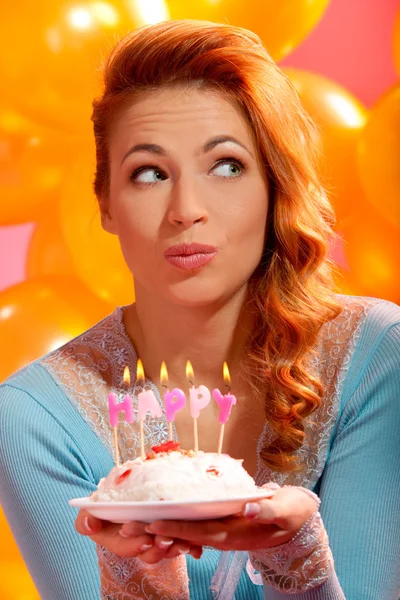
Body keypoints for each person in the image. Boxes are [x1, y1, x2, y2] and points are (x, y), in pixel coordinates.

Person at [0, 18, 399, 600]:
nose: (186, 209)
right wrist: (138, 573)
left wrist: (294, 553)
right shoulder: (34, 417)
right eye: (150, 173)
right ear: (105, 203)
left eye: (227, 165)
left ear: (274, 185)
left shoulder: (375, 358)